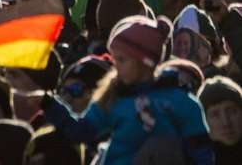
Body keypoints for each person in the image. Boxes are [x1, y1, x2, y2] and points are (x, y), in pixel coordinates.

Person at [42, 16, 214, 164]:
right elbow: (82, 132)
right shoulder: (113, 95)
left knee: (161, 145)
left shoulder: (180, 102)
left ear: (145, 62)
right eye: (115, 59)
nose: (115, 66)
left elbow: (201, 153)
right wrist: (48, 103)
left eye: (122, 60)